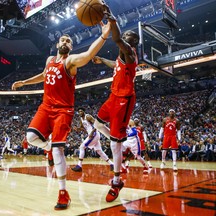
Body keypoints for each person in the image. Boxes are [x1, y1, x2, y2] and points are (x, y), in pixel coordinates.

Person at [11, 21, 111, 210]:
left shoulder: (70, 61)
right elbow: (43, 74)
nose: (65, 41)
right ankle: (47, 147)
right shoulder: (50, 60)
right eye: (62, 39)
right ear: (58, 44)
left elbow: (89, 54)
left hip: (63, 111)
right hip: (46, 106)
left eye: (69, 40)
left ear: (71, 47)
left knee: (58, 150)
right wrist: (24, 82)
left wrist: (104, 35)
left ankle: (63, 192)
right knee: (30, 137)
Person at [92, 9, 139, 202]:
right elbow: (115, 65)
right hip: (113, 97)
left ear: (132, 42)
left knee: (113, 143)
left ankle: (117, 180)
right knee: (96, 124)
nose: (124, 37)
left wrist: (112, 19)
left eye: (128, 36)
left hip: (124, 100)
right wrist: (102, 60)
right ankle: (117, 138)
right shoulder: (121, 58)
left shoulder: (130, 53)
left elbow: (118, 39)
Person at [71, 107, 114, 172]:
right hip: (91, 135)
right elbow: (83, 128)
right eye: (79, 111)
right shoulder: (81, 119)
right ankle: (112, 164)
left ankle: (79, 166)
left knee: (82, 147)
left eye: (81, 111)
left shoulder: (88, 116)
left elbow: (97, 124)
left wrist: (92, 132)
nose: (80, 112)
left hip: (94, 134)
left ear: (84, 111)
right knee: (99, 151)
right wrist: (77, 129)